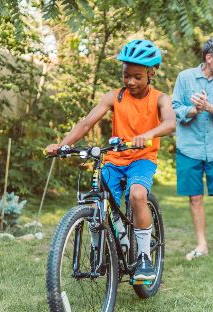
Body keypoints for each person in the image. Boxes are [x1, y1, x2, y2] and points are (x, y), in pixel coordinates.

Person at [45, 39, 176, 280]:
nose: (130, 81)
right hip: (115, 159)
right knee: (98, 204)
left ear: (151, 73)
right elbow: (86, 123)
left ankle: (144, 257)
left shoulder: (160, 99)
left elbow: (169, 122)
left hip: (142, 158)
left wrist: (147, 135)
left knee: (137, 195)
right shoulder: (114, 97)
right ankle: (101, 251)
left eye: (137, 76)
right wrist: (62, 146)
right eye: (126, 75)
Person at [172, 38, 213, 261]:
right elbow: (176, 108)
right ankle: (201, 244)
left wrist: (208, 107)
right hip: (189, 148)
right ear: (209, 58)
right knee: (195, 198)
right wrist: (193, 109)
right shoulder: (185, 77)